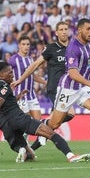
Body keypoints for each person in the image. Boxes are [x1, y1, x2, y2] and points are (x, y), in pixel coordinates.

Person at [0, 61, 89, 163]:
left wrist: (17, 97)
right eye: (10, 72)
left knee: (31, 156)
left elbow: (3, 104)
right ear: (1, 74)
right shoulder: (3, 85)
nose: (12, 75)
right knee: (50, 133)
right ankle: (71, 156)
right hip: (17, 118)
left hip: (5, 125)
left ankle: (22, 150)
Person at [11, 21, 75, 149]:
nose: (63, 31)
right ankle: (43, 125)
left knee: (54, 124)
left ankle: (30, 148)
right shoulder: (51, 48)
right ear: (56, 33)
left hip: (69, 89)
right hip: (55, 88)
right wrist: (19, 80)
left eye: (65, 29)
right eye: (61, 29)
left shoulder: (72, 49)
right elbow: (34, 65)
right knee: (70, 113)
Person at [53, 18, 90, 160]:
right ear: (79, 30)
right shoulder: (73, 47)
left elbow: (86, 66)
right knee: (54, 123)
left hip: (82, 87)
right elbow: (72, 73)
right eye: (88, 29)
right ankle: (32, 126)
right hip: (68, 88)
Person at [8, 35, 46, 144]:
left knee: (38, 121)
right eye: (23, 44)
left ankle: (25, 143)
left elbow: (31, 75)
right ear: (19, 46)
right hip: (20, 96)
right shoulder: (13, 60)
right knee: (26, 122)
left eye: (28, 44)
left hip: (32, 96)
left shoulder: (30, 59)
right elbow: (5, 73)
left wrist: (44, 82)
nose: (26, 47)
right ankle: (24, 146)